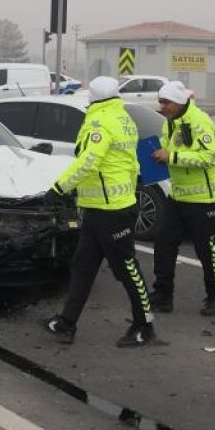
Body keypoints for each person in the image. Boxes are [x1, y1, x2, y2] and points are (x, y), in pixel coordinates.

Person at [44, 76, 156, 348]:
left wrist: (59, 188)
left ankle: (144, 326)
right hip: (102, 208)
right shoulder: (123, 118)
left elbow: (88, 162)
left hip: (112, 211)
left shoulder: (99, 121)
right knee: (82, 267)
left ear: (92, 97)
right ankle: (67, 323)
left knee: (127, 269)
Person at [150, 81, 215, 316]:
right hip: (178, 196)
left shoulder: (199, 121)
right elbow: (168, 154)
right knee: (164, 245)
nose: (162, 107)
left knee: (206, 250)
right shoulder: (170, 123)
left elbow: (209, 157)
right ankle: (163, 295)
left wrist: (171, 156)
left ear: (179, 102)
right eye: (160, 102)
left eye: (166, 103)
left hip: (204, 199)